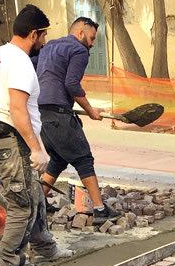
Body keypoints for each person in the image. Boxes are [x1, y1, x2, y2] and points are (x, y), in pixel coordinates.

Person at [0, 4, 72, 266]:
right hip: (11, 138)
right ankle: (4, 264)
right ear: (33, 34)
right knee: (22, 203)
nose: (44, 41)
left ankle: (45, 247)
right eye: (43, 35)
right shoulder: (20, 61)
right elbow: (17, 109)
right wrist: (36, 148)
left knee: (33, 194)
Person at [36, 17, 122, 225]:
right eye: (92, 38)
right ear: (81, 33)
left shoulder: (50, 46)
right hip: (58, 114)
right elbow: (72, 84)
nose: (93, 44)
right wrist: (91, 110)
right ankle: (100, 210)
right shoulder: (79, 51)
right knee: (84, 159)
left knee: (57, 159)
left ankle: (37, 202)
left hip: (41, 113)